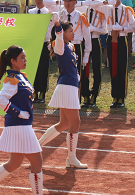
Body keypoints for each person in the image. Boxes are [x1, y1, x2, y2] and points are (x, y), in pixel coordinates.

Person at [0, 45, 43, 195]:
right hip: (20, 125)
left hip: (22, 125)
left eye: (25, 57)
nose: (25, 60)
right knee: (37, 162)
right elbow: (0, 100)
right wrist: (18, 113)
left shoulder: (21, 76)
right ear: (13, 61)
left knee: (14, 163)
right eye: (22, 58)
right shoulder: (12, 79)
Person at [37, 18, 88, 169]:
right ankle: (71, 158)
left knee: (64, 123)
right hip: (67, 86)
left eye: (73, 30)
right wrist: (57, 24)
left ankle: (36, 146)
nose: (73, 33)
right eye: (70, 31)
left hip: (70, 85)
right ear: (63, 33)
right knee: (75, 123)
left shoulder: (70, 46)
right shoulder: (60, 46)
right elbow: (58, 34)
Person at [27, 0, 52, 103]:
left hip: (44, 43)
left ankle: (42, 92)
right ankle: (34, 91)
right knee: (33, 68)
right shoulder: (31, 12)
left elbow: (50, 29)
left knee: (43, 68)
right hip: (33, 44)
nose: (38, 1)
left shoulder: (48, 13)